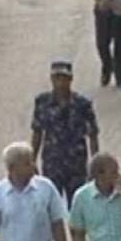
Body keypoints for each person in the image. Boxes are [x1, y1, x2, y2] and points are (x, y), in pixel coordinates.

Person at [32, 61, 100, 201]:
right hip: (52, 162)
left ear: (71, 79)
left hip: (76, 163)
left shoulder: (82, 104)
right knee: (51, 204)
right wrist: (31, 160)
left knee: (77, 203)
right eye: (57, 78)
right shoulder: (42, 102)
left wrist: (96, 163)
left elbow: (92, 134)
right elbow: (37, 131)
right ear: (51, 79)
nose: (60, 82)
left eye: (64, 78)